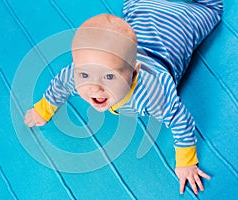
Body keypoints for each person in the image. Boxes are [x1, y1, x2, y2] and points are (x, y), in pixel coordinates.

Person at [24, 0, 223, 195]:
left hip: (178, 22)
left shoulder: (154, 93)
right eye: (84, 74)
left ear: (135, 73)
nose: (95, 88)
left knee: (212, 8)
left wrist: (186, 162)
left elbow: (181, 120)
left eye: (109, 77)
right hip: (142, 8)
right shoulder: (75, 76)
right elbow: (59, 85)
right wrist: (43, 109)